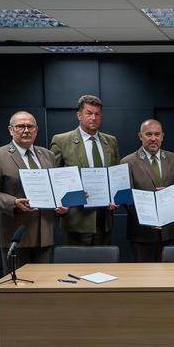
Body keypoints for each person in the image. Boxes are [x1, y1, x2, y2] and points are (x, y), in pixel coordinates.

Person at [0, 111, 68, 274]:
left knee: (45, 290)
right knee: (17, 293)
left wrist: (61, 205)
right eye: (20, 126)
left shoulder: (47, 155)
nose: (26, 130)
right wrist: (13, 202)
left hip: (44, 235)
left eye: (30, 126)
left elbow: (54, 187)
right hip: (16, 236)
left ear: (36, 129)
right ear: (10, 130)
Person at [49, 95, 120, 246]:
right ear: (79, 115)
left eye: (97, 114)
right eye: (89, 113)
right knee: (77, 268)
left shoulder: (111, 141)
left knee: (104, 267)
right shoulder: (62, 141)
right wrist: (59, 203)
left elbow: (115, 175)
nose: (93, 118)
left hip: (104, 219)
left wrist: (116, 197)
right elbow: (53, 177)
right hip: (76, 220)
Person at [121, 119, 174, 262]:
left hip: (168, 230)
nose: (153, 138)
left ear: (162, 136)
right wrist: (149, 218)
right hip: (141, 232)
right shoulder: (128, 162)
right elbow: (127, 197)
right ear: (140, 136)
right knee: (144, 278)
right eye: (148, 134)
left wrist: (171, 192)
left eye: (157, 134)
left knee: (168, 277)